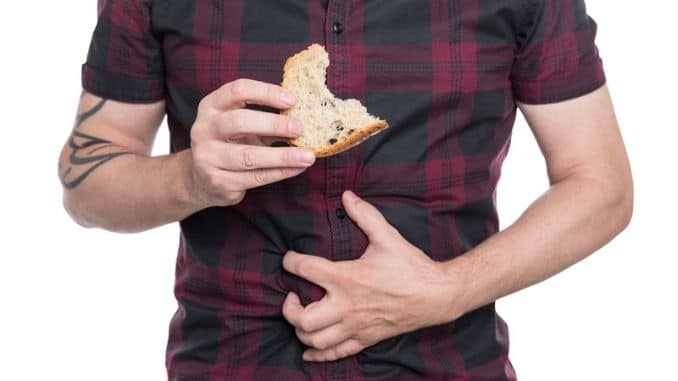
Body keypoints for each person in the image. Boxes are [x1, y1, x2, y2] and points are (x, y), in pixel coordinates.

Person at [58, 1, 633, 380]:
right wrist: (189, 177)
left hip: (450, 365)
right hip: (230, 364)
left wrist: (448, 289)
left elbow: (600, 184)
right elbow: (88, 179)